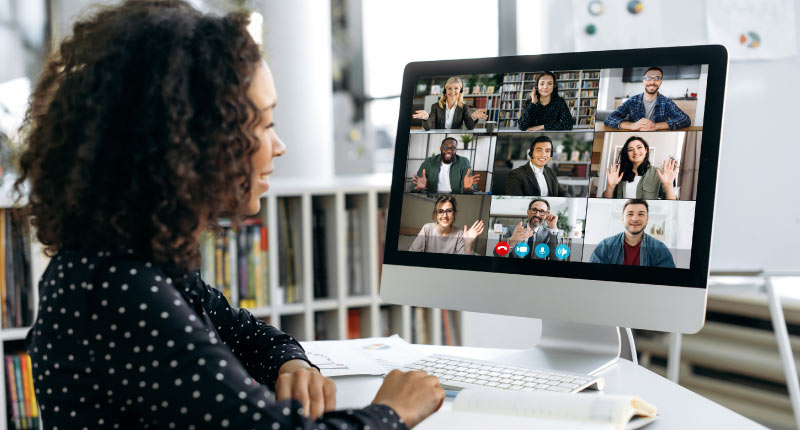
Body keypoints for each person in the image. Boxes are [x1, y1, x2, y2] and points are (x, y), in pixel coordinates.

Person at [16, 2, 444, 429]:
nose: (279, 146)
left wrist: (291, 364)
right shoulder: (121, 289)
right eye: (262, 124)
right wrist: (394, 410)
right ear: (190, 140)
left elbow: (245, 332)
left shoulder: (133, 263)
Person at [589, 199, 675, 267]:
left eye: (641, 214)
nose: (635, 219)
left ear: (647, 219)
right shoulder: (605, 246)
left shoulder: (660, 249)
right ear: (622, 219)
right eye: (630, 214)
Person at [604, 67, 691, 131]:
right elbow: (609, 118)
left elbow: (685, 119)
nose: (652, 82)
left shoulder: (667, 102)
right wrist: (632, 126)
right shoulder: (632, 101)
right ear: (643, 81)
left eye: (657, 78)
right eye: (648, 78)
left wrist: (656, 126)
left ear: (661, 82)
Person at [602, 135, 678, 200]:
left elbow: (671, 204)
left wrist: (668, 186)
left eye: (639, 147)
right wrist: (610, 187)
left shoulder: (657, 173)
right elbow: (607, 201)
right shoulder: (619, 174)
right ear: (627, 153)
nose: (635, 152)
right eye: (630, 150)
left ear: (646, 150)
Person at [409, 195, 485, 254]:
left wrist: (468, 244)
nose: (444, 216)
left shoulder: (460, 234)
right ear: (436, 214)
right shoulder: (427, 229)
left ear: (454, 213)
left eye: (449, 211)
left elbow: (464, 264)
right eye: (441, 211)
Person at [412, 76, 487, 130]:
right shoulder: (436, 106)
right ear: (445, 91)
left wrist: (473, 117)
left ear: (460, 91)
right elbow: (428, 127)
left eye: (456, 88)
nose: (452, 91)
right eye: (449, 88)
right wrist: (426, 117)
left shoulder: (464, 107)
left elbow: (470, 127)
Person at [505, 136, 571, 197]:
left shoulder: (550, 172)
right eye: (539, 150)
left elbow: (562, 192)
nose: (543, 154)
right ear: (531, 153)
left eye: (547, 151)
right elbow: (515, 202)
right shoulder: (516, 174)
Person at [411, 137, 480, 193]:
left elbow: (469, 186)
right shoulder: (429, 162)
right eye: (445, 147)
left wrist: (466, 188)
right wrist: (418, 188)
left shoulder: (464, 162)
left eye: (453, 148)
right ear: (440, 148)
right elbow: (414, 187)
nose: (449, 150)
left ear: (456, 150)